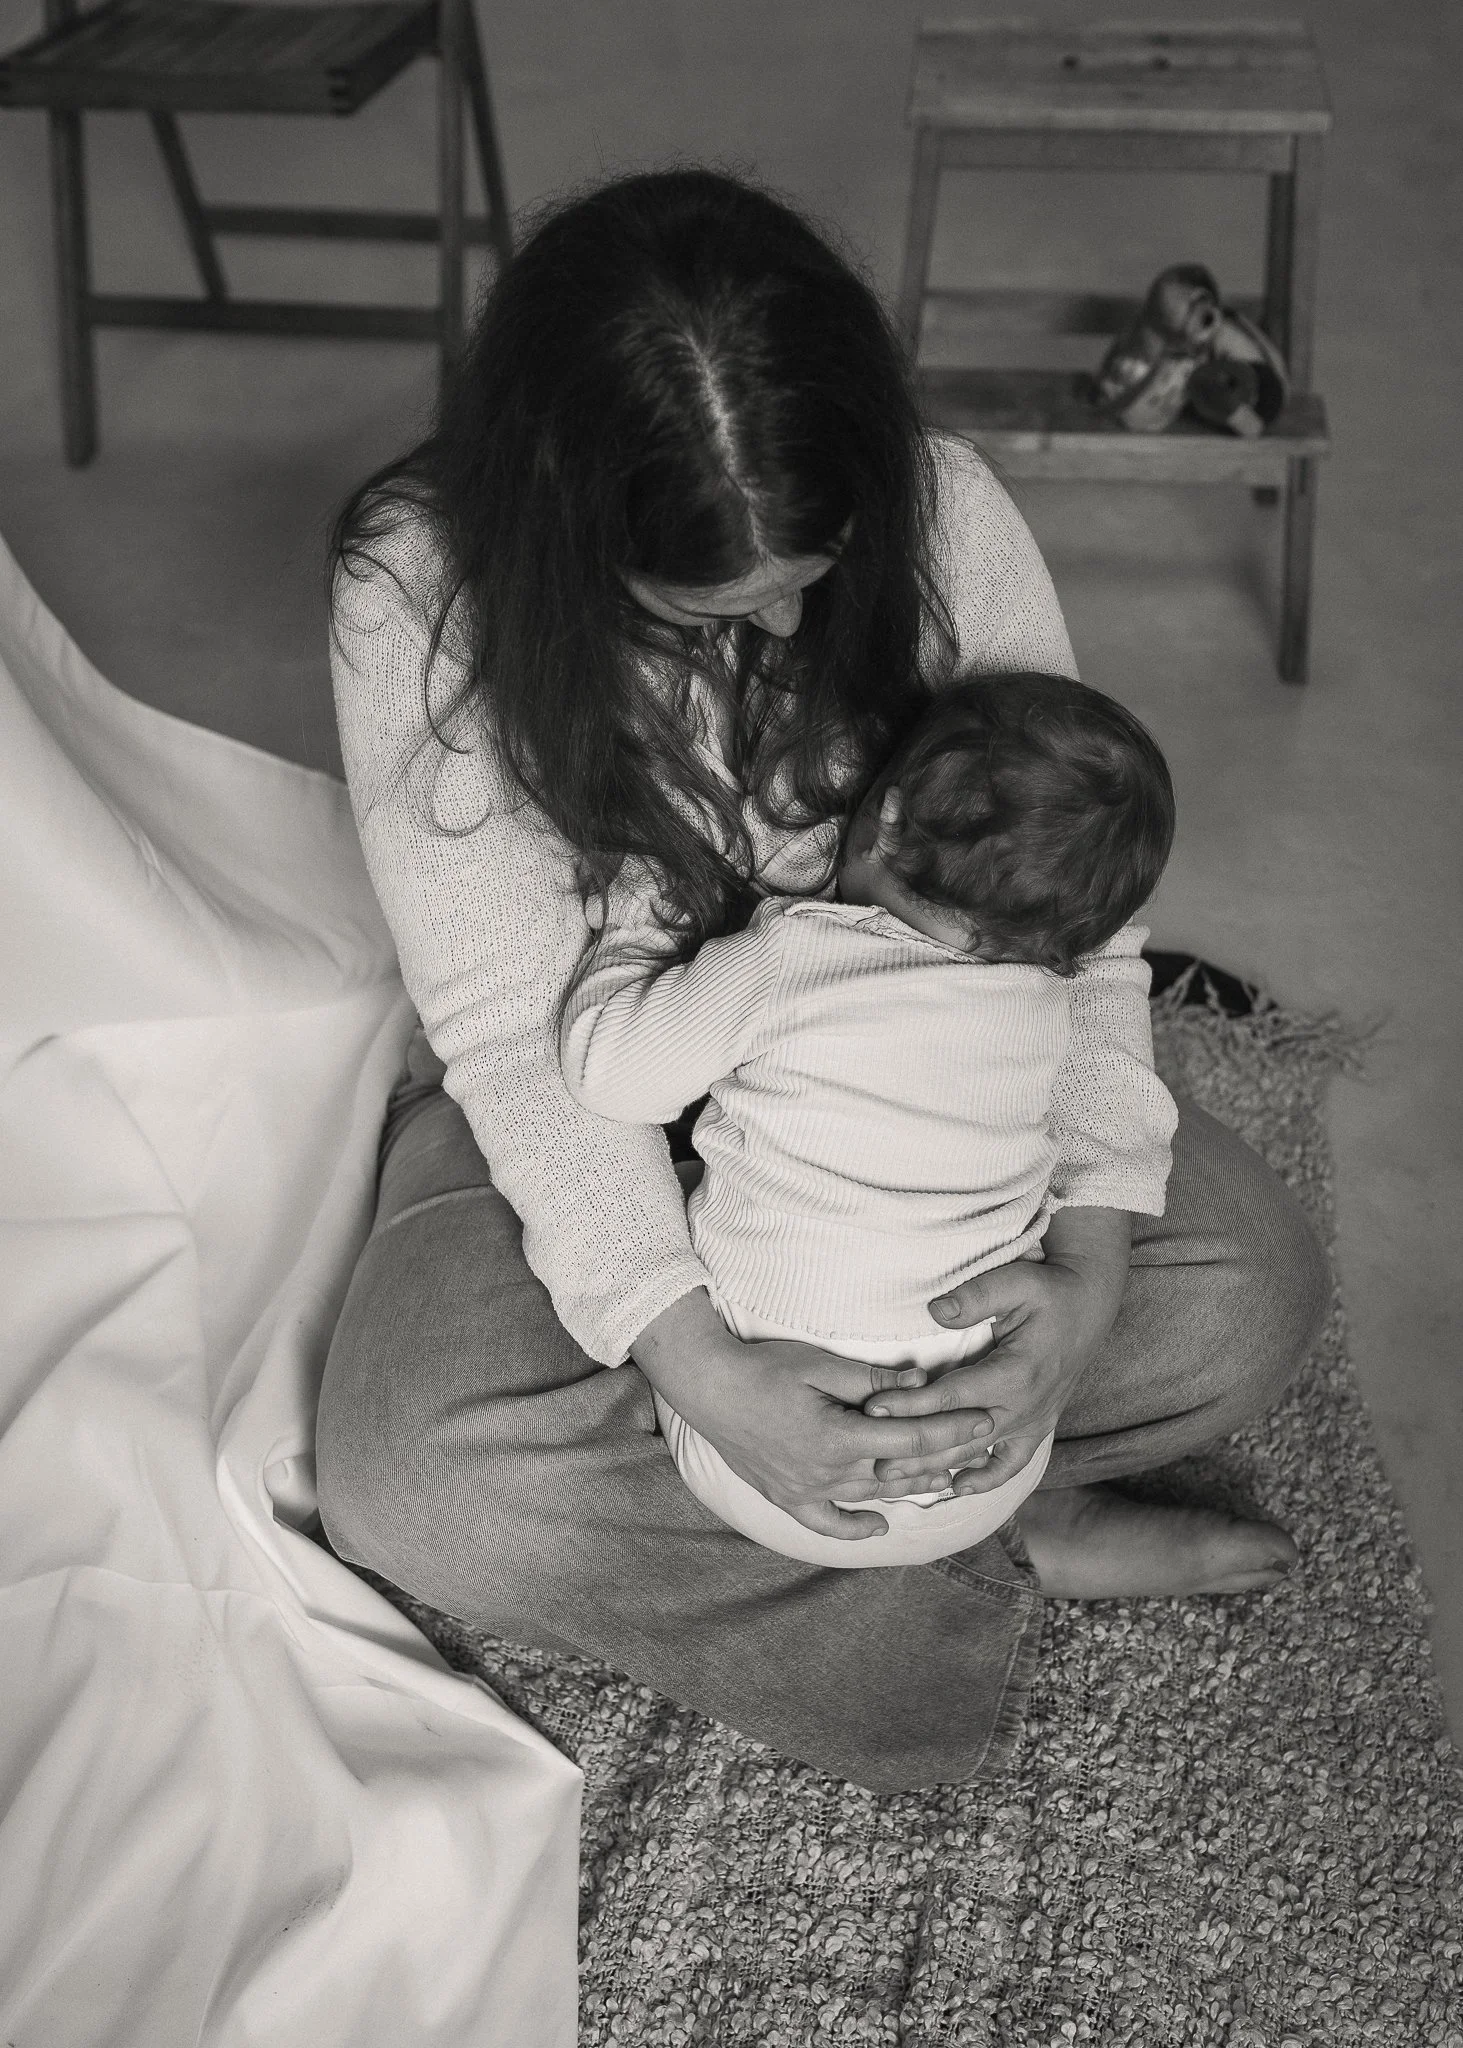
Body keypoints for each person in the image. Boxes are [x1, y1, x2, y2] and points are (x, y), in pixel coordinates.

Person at [317, 167, 1328, 1791]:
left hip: (909, 1085)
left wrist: (1075, 1279)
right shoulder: (422, 591)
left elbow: (1071, 935)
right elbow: (515, 1041)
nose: (789, 622)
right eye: (714, 609)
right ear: (574, 536)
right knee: (404, 1475)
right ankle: (984, 1539)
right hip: (590, 1096)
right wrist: (699, 1360)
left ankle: (826, 1493)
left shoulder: (940, 510)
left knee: (1242, 1291)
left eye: (813, 570)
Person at [559, 672, 1178, 1572]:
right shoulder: (1051, 1011)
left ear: (883, 818)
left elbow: (610, 1077)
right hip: (992, 1442)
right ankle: (1023, 1536)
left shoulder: (794, 954)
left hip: (763, 1438)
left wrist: (632, 917)